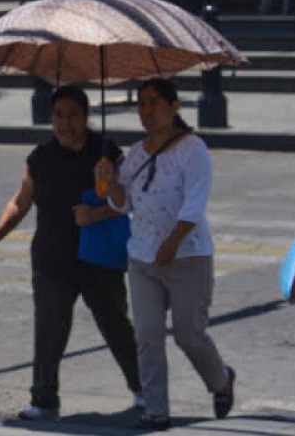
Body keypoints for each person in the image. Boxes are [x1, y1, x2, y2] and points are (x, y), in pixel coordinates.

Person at [0, 85, 142, 421]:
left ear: (86, 116)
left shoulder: (106, 152)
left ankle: (143, 390)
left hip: (98, 258)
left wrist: (103, 198)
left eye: (73, 115)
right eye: (59, 115)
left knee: (116, 326)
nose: (66, 123)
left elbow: (129, 202)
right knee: (49, 329)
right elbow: (21, 201)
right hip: (52, 258)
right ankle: (44, 400)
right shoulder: (40, 158)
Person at [97, 78, 235, 431]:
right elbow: (122, 203)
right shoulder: (137, 153)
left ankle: (220, 381)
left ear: (174, 107)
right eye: (141, 103)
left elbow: (194, 204)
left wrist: (172, 243)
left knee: (189, 335)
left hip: (188, 257)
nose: (146, 111)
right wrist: (110, 180)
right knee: (147, 334)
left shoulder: (193, 149)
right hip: (142, 258)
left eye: (154, 102)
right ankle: (156, 408)